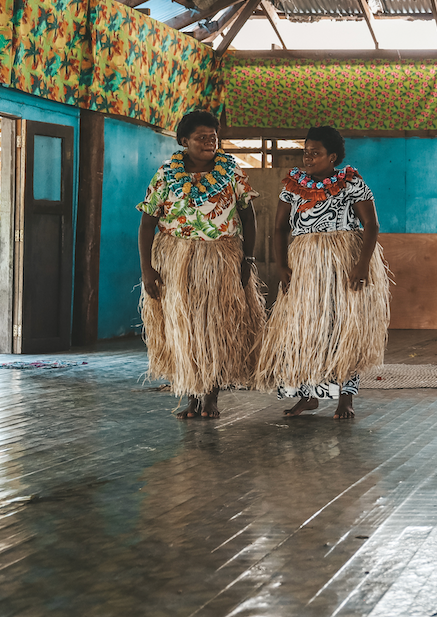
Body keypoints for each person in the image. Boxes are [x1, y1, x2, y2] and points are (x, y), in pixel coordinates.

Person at [253, 127, 390, 419]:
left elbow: (372, 226)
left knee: (343, 326)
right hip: (305, 264)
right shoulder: (293, 185)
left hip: (343, 261)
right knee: (301, 331)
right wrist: (282, 266)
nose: (308, 158)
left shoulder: (351, 182)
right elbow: (279, 228)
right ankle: (307, 396)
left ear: (333, 157)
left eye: (315, 153)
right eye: (306, 152)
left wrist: (363, 264)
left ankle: (345, 397)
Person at [138, 110, 265, 419]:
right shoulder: (166, 173)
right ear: (185, 141)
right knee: (185, 329)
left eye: (214, 137)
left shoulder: (232, 171)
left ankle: (211, 396)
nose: (210, 142)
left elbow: (248, 218)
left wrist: (248, 258)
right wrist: (147, 269)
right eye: (201, 137)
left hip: (220, 259)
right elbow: (146, 224)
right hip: (175, 260)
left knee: (214, 326)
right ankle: (191, 396)